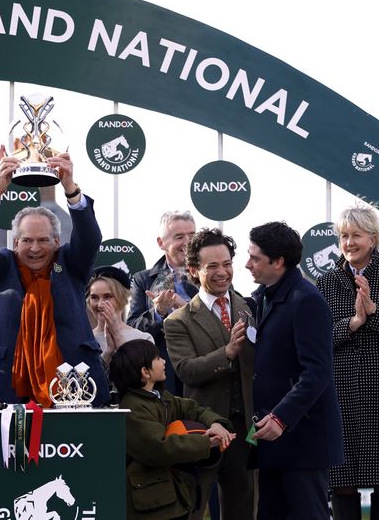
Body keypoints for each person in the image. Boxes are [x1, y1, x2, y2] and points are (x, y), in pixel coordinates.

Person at [0, 150, 109, 408]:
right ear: (15, 242)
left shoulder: (70, 263)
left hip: (73, 380)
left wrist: (70, 189)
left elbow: (89, 238)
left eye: (43, 240)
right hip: (7, 382)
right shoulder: (1, 266)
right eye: (27, 240)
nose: (34, 248)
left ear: (56, 241)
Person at [316, 206, 379, 520]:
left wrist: (373, 311)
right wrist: (354, 322)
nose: (349, 242)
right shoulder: (326, 283)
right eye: (344, 236)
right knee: (342, 480)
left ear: (372, 239)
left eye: (356, 235)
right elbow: (320, 340)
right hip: (341, 392)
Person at [246, 221, 344, 520]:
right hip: (273, 439)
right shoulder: (263, 296)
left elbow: (317, 372)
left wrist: (281, 417)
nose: (247, 264)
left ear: (278, 262)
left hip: (303, 440)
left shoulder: (307, 301)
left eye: (255, 258)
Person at [163, 229, 255, 520]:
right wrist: (226, 354)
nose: (222, 272)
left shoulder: (249, 308)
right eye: (212, 266)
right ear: (193, 270)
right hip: (202, 430)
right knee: (192, 507)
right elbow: (186, 370)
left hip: (244, 430)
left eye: (226, 264)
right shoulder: (178, 321)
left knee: (242, 508)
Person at [111, 339, 234, 520]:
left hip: (167, 497)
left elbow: (193, 409)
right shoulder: (133, 407)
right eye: (158, 358)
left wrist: (215, 423)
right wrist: (205, 442)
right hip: (149, 503)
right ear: (145, 372)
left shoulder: (160, 397)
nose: (164, 361)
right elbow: (158, 448)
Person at [127, 210, 198, 395]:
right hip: (163, 374)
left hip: (202, 367)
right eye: (179, 237)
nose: (188, 242)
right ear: (161, 243)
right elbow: (132, 330)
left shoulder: (212, 274)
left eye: (192, 235)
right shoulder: (143, 280)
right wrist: (158, 312)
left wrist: (186, 308)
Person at [87, 265, 153, 366]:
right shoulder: (85, 341)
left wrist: (118, 339)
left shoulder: (143, 339)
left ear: (122, 298)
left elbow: (142, 378)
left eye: (107, 296)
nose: (100, 304)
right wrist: (108, 353)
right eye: (94, 297)